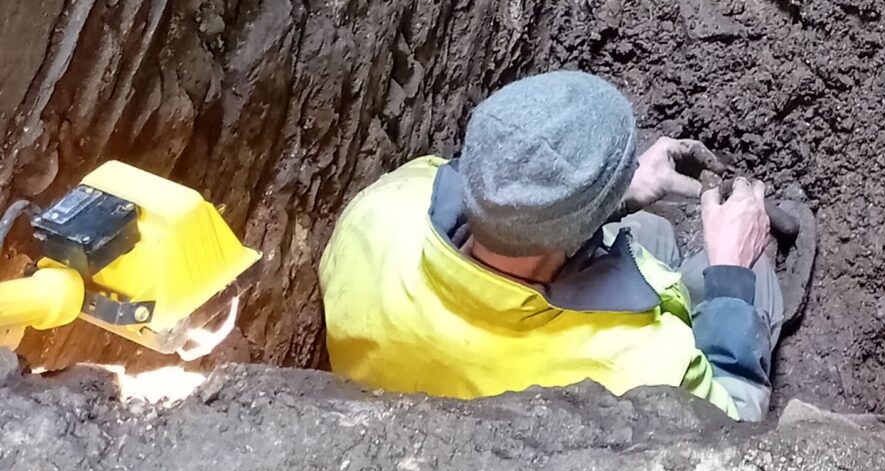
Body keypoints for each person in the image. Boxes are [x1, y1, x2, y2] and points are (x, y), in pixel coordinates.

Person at [319, 69, 782, 415]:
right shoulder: (644, 370)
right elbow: (726, 432)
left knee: (652, 232)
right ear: (570, 237)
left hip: (432, 346)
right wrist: (731, 272)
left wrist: (613, 197)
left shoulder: (377, 212)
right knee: (750, 276)